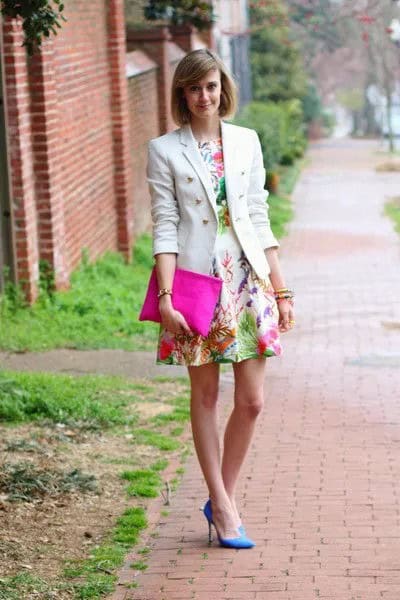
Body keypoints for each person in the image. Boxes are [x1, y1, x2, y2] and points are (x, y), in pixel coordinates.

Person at [146, 49, 295, 549]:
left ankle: (221, 499)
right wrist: (166, 299)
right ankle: (225, 507)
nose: (204, 96)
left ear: (221, 88)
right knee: (206, 397)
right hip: (196, 284)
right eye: (194, 89)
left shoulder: (246, 141)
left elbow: (258, 217)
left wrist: (281, 288)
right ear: (181, 95)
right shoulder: (165, 150)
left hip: (247, 282)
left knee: (251, 402)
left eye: (210, 86)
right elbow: (166, 228)